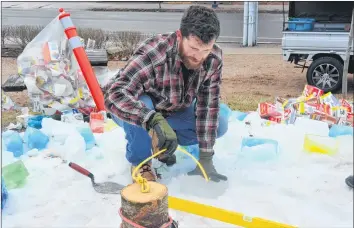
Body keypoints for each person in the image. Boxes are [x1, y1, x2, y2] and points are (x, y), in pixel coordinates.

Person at [104, 5, 229, 183]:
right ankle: (141, 163)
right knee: (143, 102)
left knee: (220, 125)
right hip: (139, 111)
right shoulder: (155, 53)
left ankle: (162, 144)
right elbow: (114, 94)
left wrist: (206, 157)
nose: (199, 57)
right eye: (193, 48)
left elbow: (208, 106)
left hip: (173, 110)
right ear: (180, 36)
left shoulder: (213, 59)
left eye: (205, 50)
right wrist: (151, 119)